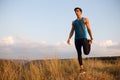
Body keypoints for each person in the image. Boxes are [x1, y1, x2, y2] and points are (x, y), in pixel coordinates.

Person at [67, 7, 93, 73]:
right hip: (76, 39)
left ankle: (89, 43)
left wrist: (91, 37)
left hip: (84, 38)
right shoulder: (74, 22)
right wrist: (69, 38)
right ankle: (82, 68)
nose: (76, 12)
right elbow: (72, 31)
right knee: (79, 54)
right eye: (75, 11)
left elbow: (88, 28)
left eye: (77, 11)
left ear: (81, 12)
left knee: (86, 53)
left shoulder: (85, 19)